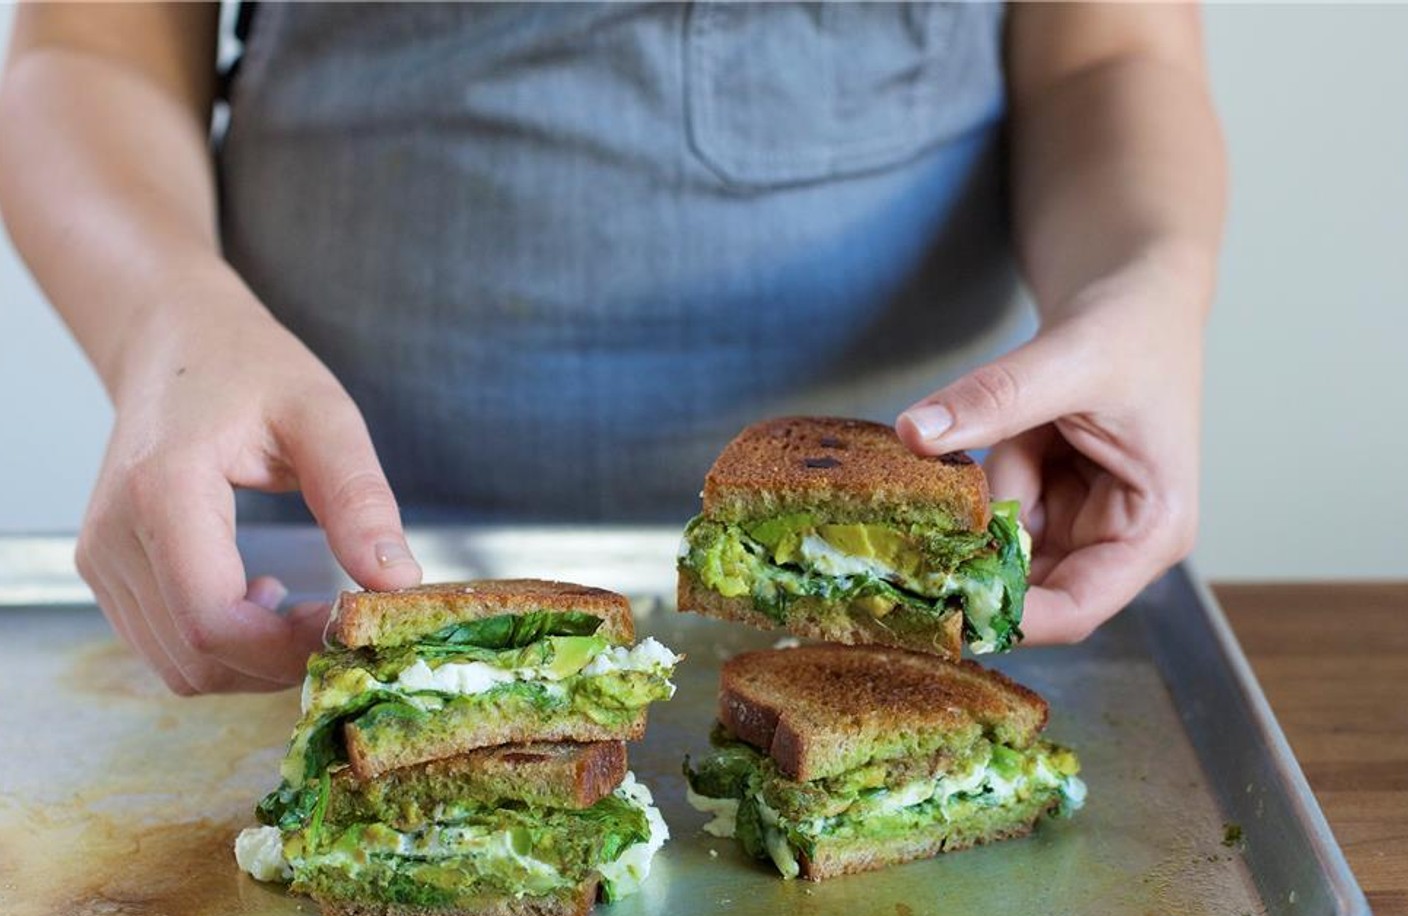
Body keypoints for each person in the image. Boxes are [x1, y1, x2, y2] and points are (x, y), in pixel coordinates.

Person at [0, 2, 1225, 695]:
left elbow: (1113, 49)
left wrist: (1149, 287)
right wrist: (165, 319)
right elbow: (88, 46)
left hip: (919, 588)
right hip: (300, 564)